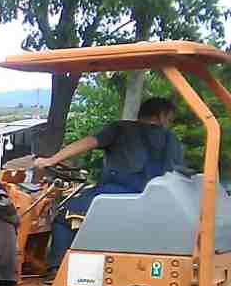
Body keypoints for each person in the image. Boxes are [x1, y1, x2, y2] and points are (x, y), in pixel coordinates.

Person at [35, 96, 186, 269]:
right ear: (161, 116)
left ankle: (56, 270)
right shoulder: (171, 139)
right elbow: (178, 171)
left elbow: (89, 142)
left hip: (117, 196)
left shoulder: (121, 128)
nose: (168, 123)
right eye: (170, 119)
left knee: (62, 216)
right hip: (157, 201)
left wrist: (51, 160)